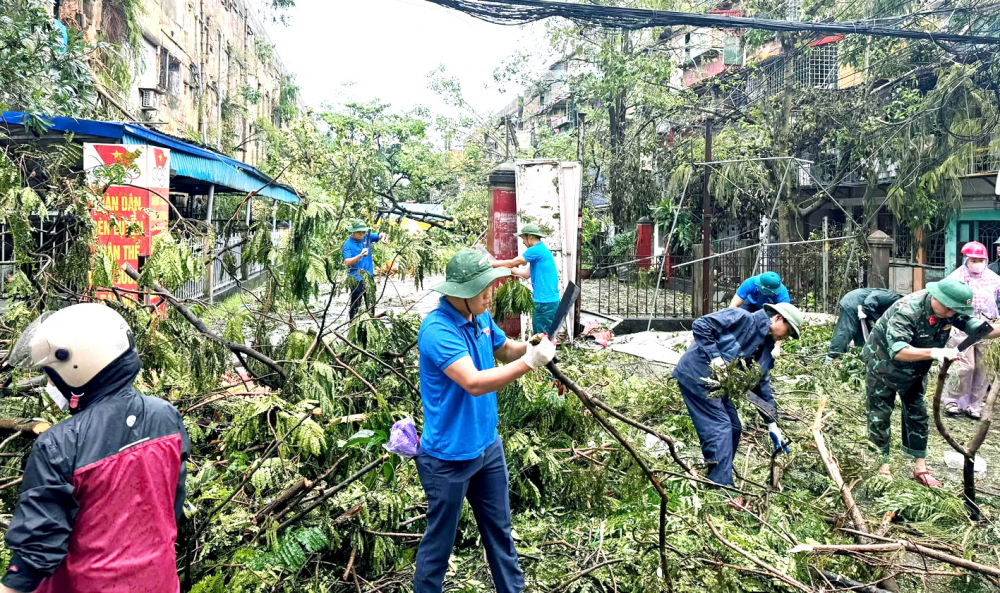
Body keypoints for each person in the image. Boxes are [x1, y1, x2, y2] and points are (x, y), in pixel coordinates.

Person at [2, 303, 189, 593]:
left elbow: (37, 549)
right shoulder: (167, 417)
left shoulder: (59, 444)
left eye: (52, 373)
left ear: (77, 366)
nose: (50, 382)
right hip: (160, 583)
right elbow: (171, 506)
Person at [415, 249, 556, 593]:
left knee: (500, 535)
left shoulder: (479, 317)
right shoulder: (437, 330)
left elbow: (503, 349)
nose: (490, 293)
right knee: (438, 549)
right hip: (448, 459)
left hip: (487, 449)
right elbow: (474, 383)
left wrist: (529, 347)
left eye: (490, 286)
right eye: (483, 289)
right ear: (458, 292)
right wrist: (530, 365)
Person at [861, 278, 1000, 487]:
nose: (953, 315)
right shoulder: (907, 310)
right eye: (951, 309)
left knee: (918, 414)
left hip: (916, 370)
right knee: (880, 416)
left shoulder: (950, 309)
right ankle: (882, 466)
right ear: (938, 298)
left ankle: (920, 468)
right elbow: (898, 350)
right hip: (883, 367)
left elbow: (982, 330)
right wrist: (936, 352)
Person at [672, 302, 803, 500]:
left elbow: (761, 385)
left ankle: (717, 475)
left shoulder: (765, 346)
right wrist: (716, 358)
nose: (786, 337)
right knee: (720, 427)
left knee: (734, 427)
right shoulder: (741, 318)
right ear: (777, 318)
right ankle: (720, 490)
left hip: (718, 385)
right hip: (696, 375)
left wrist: (772, 424)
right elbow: (701, 325)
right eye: (788, 330)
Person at [942, 242, 1000, 419]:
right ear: (966, 259)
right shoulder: (956, 278)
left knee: (983, 368)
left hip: (987, 325)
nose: (977, 263)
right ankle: (952, 401)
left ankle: (974, 404)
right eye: (974, 260)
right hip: (963, 326)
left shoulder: (993, 277)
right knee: (964, 367)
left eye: (981, 260)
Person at [492, 224, 560, 334]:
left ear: (530, 237)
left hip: (545, 303)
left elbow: (513, 262)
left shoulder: (536, 250)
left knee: (541, 340)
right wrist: (507, 268)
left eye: (523, 238)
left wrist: (490, 263)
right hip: (545, 302)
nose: (523, 241)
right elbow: (525, 274)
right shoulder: (541, 252)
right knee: (542, 337)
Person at [827, 288, 902, 360]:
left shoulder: (896, 307)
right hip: (854, 303)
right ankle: (833, 356)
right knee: (845, 331)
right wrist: (865, 310)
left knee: (863, 337)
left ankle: (862, 355)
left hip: (861, 307)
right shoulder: (893, 297)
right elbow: (873, 297)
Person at [342, 219, 384, 320]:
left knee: (370, 302)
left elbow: (381, 234)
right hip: (356, 278)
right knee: (355, 304)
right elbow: (347, 262)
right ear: (353, 232)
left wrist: (384, 238)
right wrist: (360, 255)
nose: (361, 234)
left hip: (368, 276)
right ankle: (352, 324)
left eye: (363, 232)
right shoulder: (347, 245)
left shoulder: (367, 237)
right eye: (359, 232)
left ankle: (371, 323)